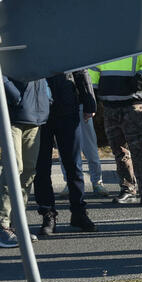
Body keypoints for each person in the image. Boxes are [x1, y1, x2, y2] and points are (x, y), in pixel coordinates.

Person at [91, 51, 142, 206]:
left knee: (138, 150)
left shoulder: (141, 34)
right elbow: (94, 66)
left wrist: (139, 81)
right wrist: (93, 91)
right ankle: (127, 188)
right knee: (119, 150)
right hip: (110, 104)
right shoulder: (104, 38)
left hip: (134, 103)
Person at [0, 73, 49, 247]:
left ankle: (17, 224)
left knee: (29, 170)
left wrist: (46, 98)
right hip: (12, 113)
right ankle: (1, 227)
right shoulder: (7, 44)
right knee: (13, 168)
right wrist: (15, 96)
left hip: (35, 114)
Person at [34, 71, 98, 234]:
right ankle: (47, 213)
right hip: (38, 108)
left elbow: (80, 67)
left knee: (73, 164)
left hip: (67, 106)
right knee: (41, 166)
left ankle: (79, 212)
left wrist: (88, 99)